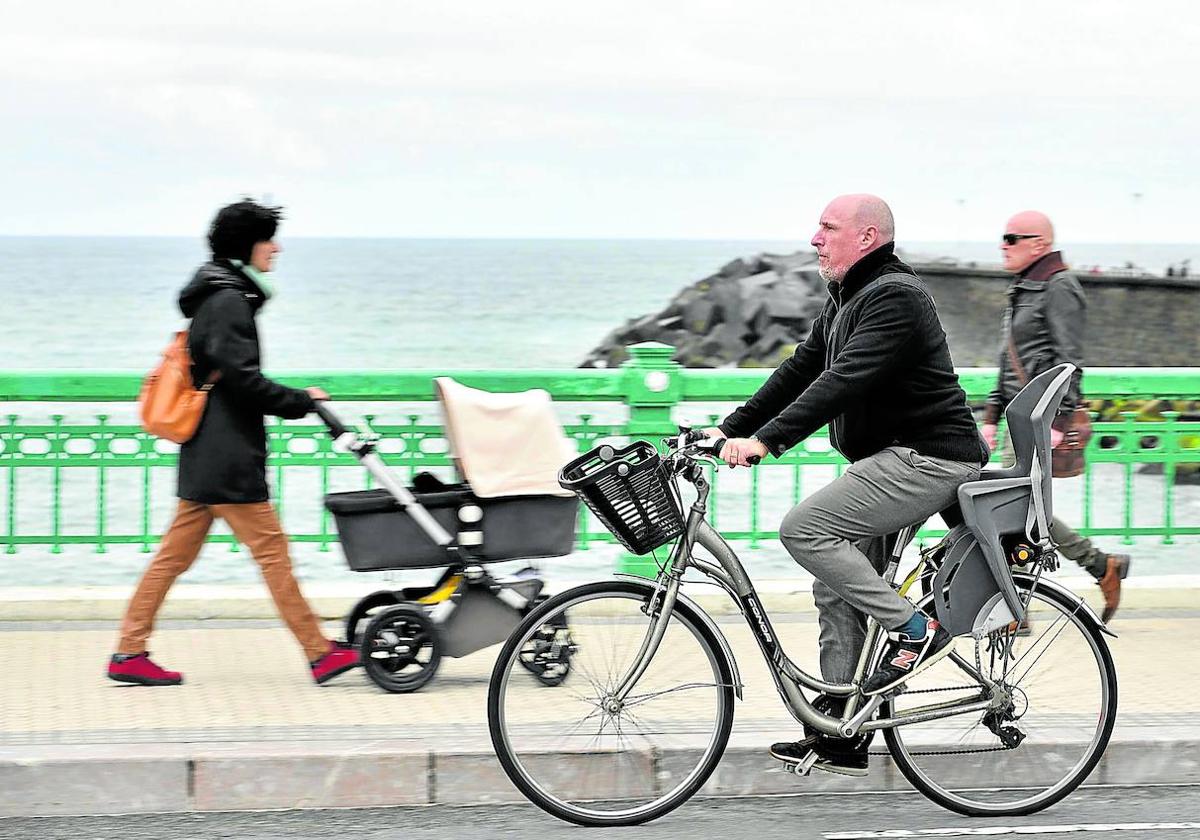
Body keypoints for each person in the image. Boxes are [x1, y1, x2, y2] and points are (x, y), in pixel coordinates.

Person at [709, 194, 989, 776]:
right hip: (893, 459)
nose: (815, 238)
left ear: (867, 238)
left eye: (828, 228)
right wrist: (729, 428)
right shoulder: (849, 296)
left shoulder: (895, 298)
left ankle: (916, 632)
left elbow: (844, 380)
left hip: (929, 460)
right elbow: (802, 368)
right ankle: (844, 722)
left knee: (806, 530)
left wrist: (767, 441)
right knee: (837, 585)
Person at [107, 200, 359, 687]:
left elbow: (231, 377)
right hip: (227, 458)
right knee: (273, 553)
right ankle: (319, 651)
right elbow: (243, 381)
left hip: (207, 454)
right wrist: (301, 400)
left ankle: (128, 650)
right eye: (270, 239)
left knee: (172, 559)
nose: (277, 248)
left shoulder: (217, 295)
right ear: (249, 245)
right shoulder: (228, 302)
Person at [982, 211, 1130, 622]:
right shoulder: (1023, 288)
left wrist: (1059, 422)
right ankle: (1096, 568)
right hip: (1017, 417)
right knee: (1019, 509)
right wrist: (993, 414)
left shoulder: (1059, 286)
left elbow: (1069, 362)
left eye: (1012, 238)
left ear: (1039, 244)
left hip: (1039, 420)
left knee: (1016, 509)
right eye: (1003, 237)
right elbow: (1007, 358)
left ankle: (1017, 603)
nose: (1003, 245)